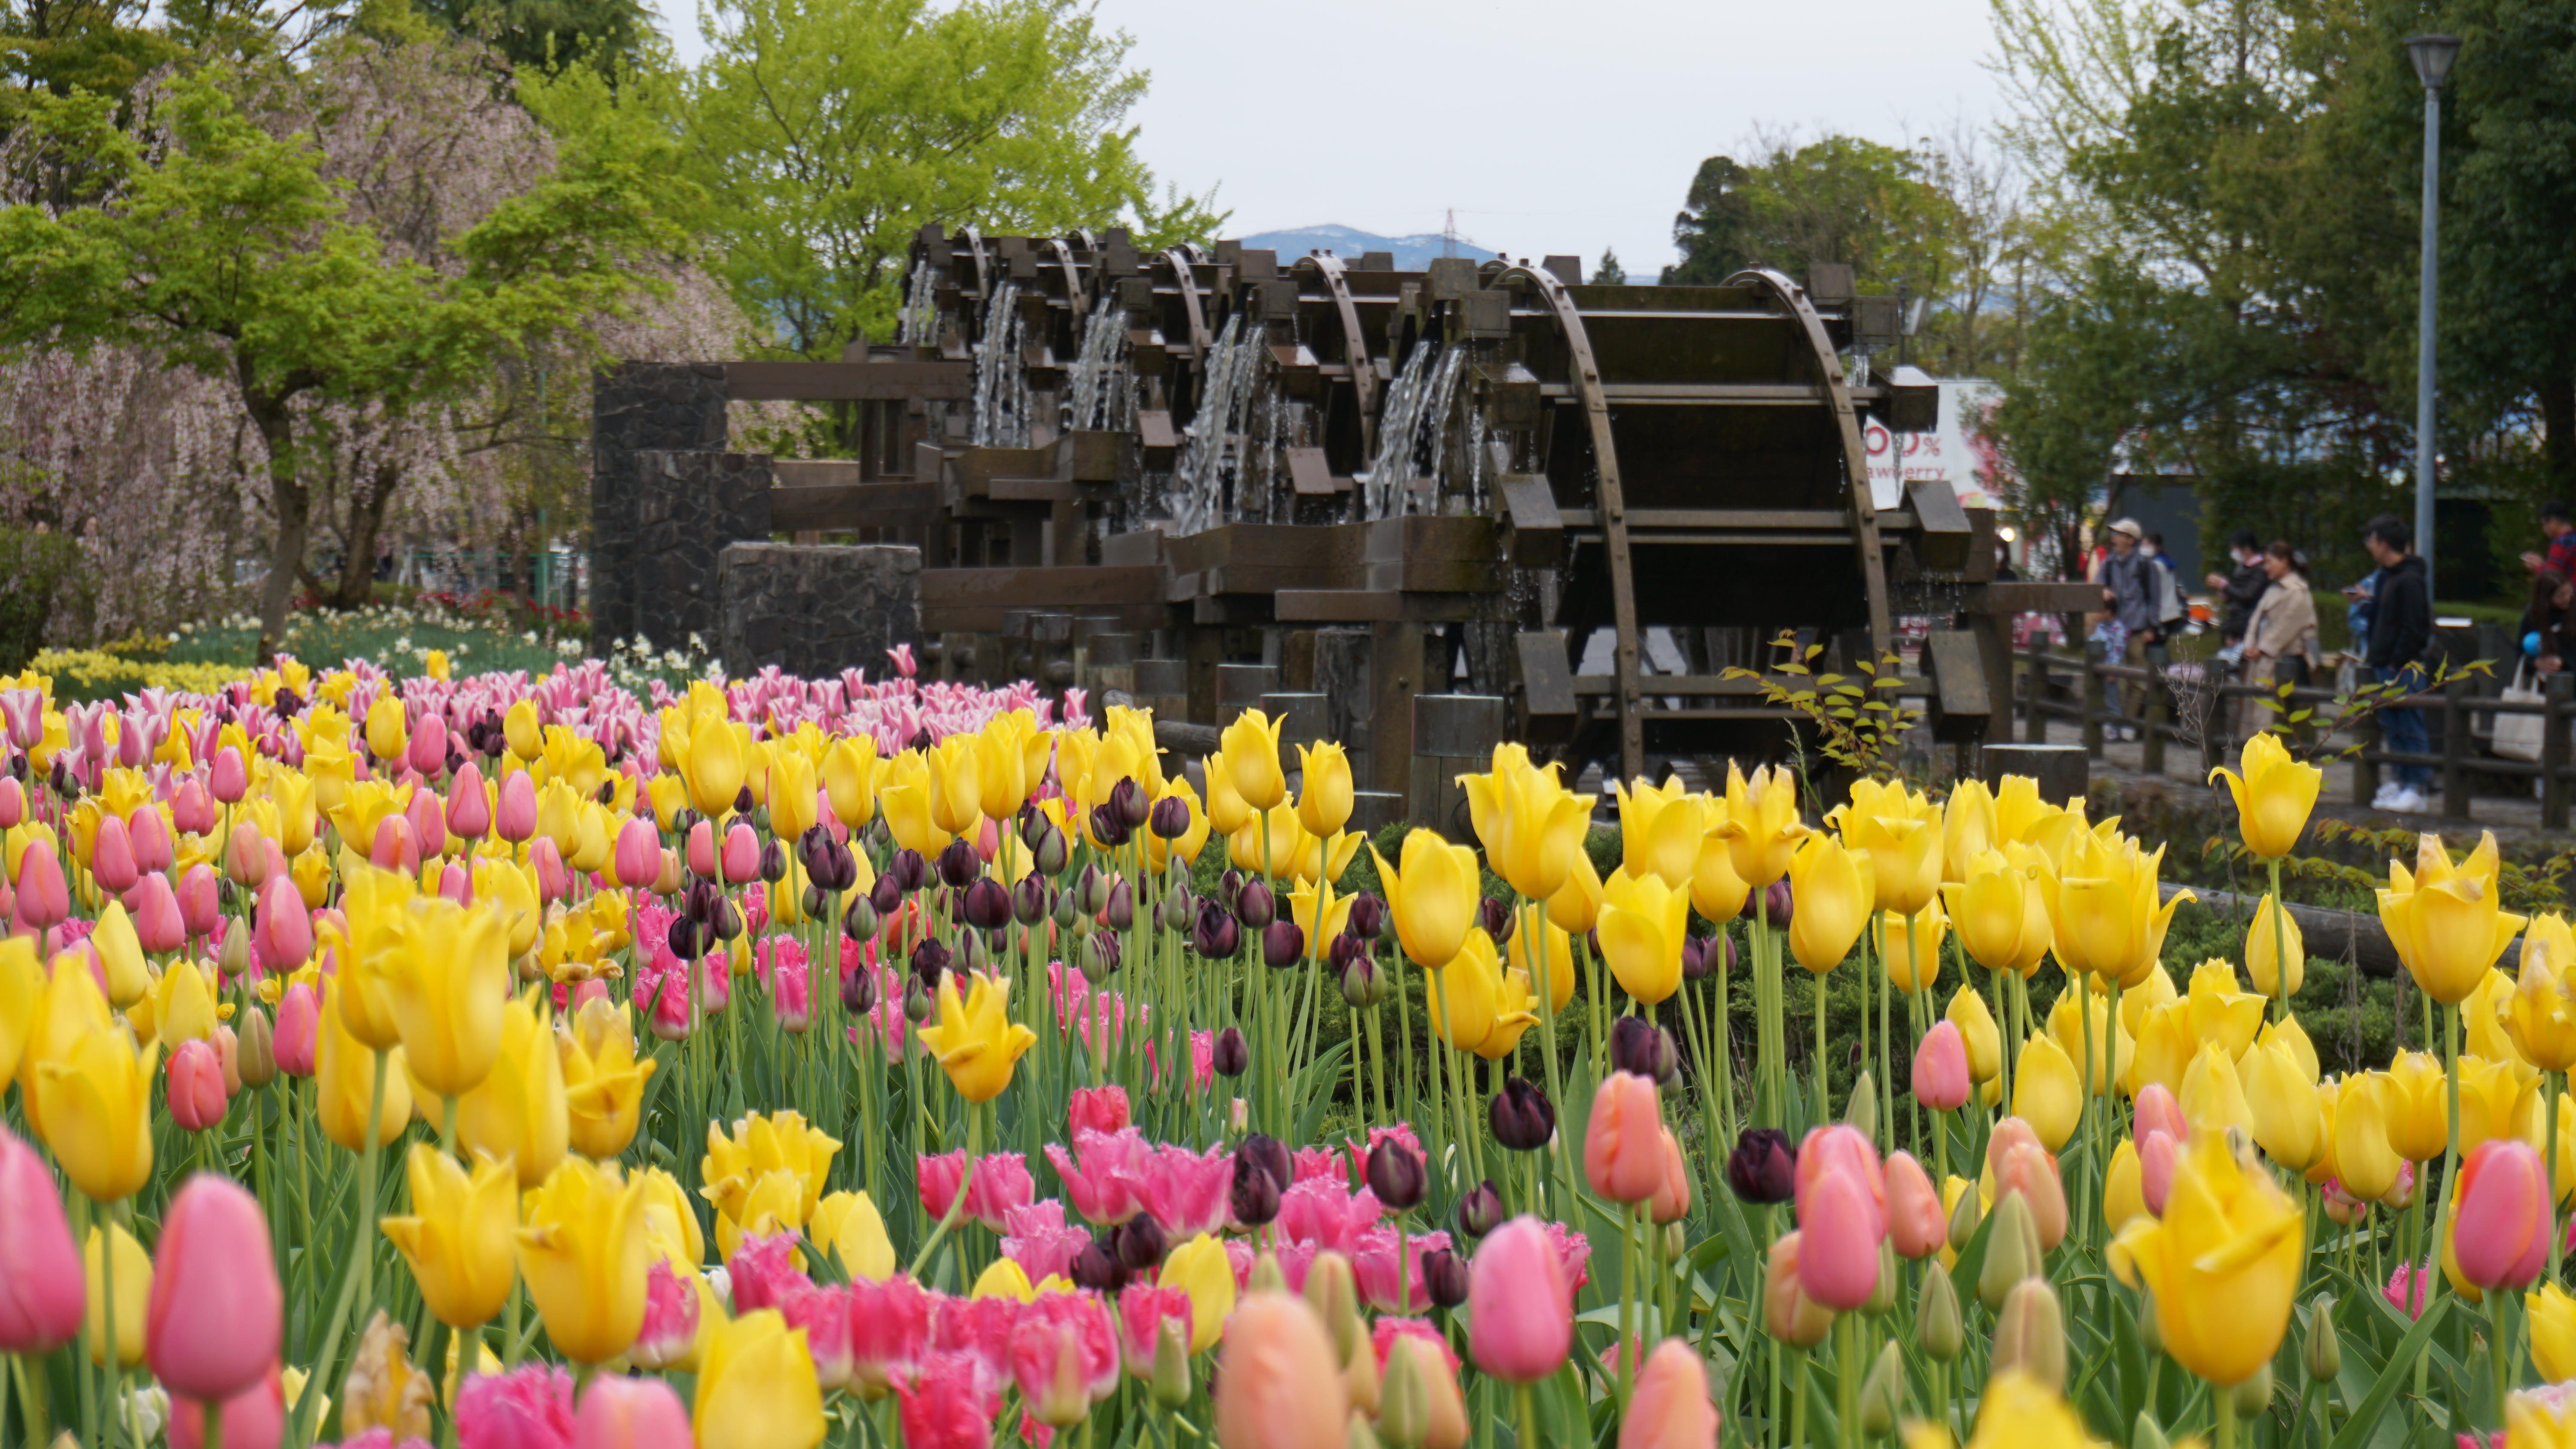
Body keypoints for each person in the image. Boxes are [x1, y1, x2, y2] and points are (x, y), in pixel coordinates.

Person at [2353, 514, 2434, 812]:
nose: (2370, 547)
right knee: (2393, 726)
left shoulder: (2410, 579)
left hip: (2401, 666)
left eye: (2372, 541)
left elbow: (2415, 627)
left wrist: (2398, 662)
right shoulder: (2387, 576)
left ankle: (2418, 787)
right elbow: (2383, 618)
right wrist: (2367, 602)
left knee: (2410, 724)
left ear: (2384, 543)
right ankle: (2401, 780)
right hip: (2383, 662)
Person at [2239, 541, 2319, 740]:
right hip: (2261, 658)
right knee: (2257, 711)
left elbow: (2285, 628)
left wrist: (2263, 648)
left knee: (2278, 717)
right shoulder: (2272, 589)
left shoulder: (2298, 591)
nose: (2266, 567)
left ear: (2285, 562)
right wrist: (2249, 644)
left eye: (2269, 562)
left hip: (2284, 660)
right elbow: (2255, 620)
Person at [2096, 518, 2160, 741]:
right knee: (2109, 677)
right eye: (2114, 534)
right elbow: (2095, 588)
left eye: (2119, 534)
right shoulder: (2109, 563)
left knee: (2135, 679)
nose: (2114, 538)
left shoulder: (2146, 565)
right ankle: (2113, 721)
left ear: (2131, 540)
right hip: (2112, 630)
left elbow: (2154, 599)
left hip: (2135, 629)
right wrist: (2102, 591)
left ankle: (2129, 724)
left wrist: (2152, 627)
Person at [2205, 530, 2269, 646]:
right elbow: (2236, 594)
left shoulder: (2260, 569)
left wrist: (2224, 585)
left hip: (2248, 621)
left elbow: (2247, 596)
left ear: (2247, 549)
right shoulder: (2242, 568)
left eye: (2235, 549)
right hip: (2237, 619)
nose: (2233, 553)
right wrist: (2223, 590)